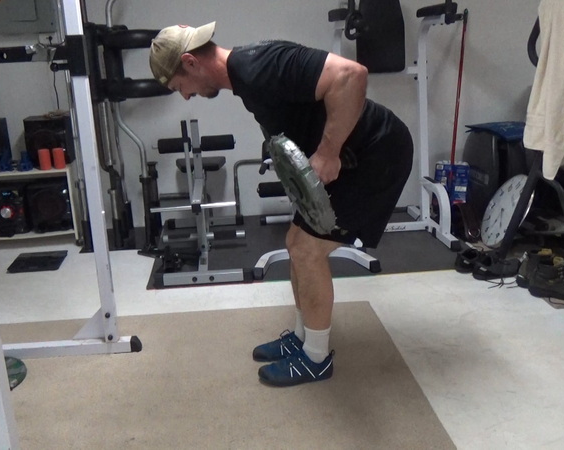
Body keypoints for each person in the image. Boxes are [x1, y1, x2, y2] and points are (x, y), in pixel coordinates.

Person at [150, 22, 414, 387]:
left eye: (179, 86)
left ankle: (316, 358)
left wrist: (328, 152)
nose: (185, 96)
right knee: (295, 243)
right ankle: (304, 336)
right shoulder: (245, 77)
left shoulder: (258, 65)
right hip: (354, 157)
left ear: (190, 62)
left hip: (375, 154)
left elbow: (351, 75)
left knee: (308, 251)